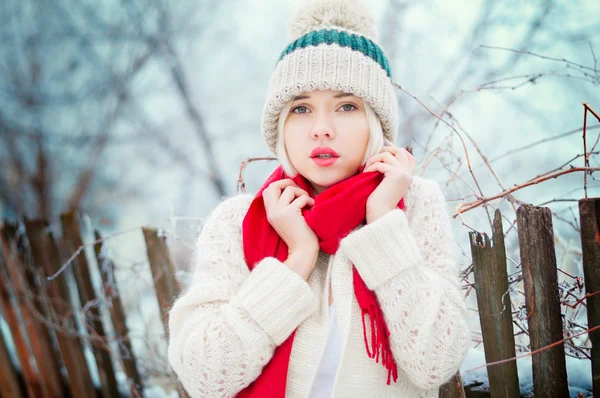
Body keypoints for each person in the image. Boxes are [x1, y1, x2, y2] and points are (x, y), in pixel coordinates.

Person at [167, 1, 471, 397]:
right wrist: (297, 260)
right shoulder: (239, 222)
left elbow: (436, 362)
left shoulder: (411, 206)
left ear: (375, 121)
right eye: (301, 108)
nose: (322, 129)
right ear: (280, 125)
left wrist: (383, 227)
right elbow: (205, 376)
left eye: (346, 106)